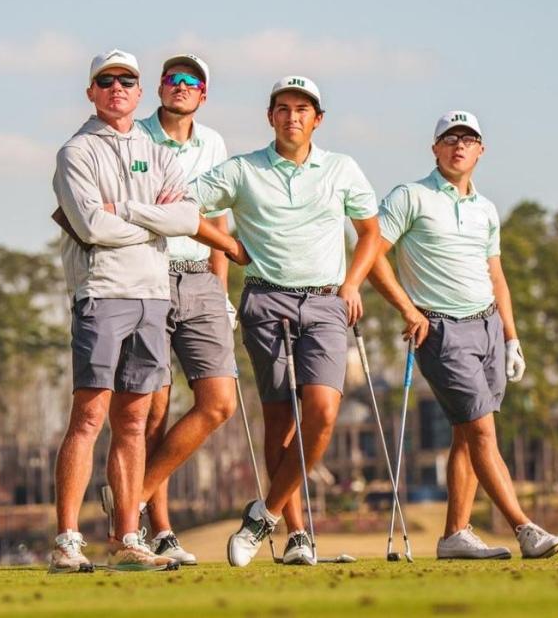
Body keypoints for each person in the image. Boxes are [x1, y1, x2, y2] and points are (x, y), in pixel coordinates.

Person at [50, 49, 248, 573]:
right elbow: (92, 227)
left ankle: (127, 538)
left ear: (138, 93)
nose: (117, 87)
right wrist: (156, 220)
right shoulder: (76, 151)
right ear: (91, 92)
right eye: (106, 80)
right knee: (90, 414)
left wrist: (132, 212)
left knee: (134, 421)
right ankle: (68, 539)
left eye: (126, 81)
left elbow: (188, 216)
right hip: (102, 291)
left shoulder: (155, 151)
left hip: (152, 293)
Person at [189, 76, 381, 566]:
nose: (292, 116)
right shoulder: (243, 170)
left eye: (302, 109)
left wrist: (354, 283)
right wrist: (228, 245)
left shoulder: (341, 168)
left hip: (324, 302)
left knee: (322, 410)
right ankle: (298, 535)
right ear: (270, 117)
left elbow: (370, 233)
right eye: (282, 108)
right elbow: (184, 204)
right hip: (265, 300)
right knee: (278, 419)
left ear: (318, 119)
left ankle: (264, 513)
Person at [369, 110, 558, 560]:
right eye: (450, 138)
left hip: (488, 328)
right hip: (440, 330)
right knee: (481, 431)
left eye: (469, 138)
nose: (459, 145)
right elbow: (372, 254)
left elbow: (496, 276)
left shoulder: (485, 209)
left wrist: (512, 337)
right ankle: (525, 528)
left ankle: (455, 535)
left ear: (481, 149)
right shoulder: (410, 196)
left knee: (464, 434)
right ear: (435, 147)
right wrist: (407, 308)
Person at [130, 53, 237, 565]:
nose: (181, 86)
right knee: (153, 409)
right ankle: (162, 530)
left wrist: (222, 290)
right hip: (149, 272)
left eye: (191, 81)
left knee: (219, 402)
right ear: (160, 87)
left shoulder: (213, 144)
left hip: (200, 281)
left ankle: (133, 499)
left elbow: (216, 220)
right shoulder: (136, 135)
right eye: (173, 79)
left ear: (203, 94)